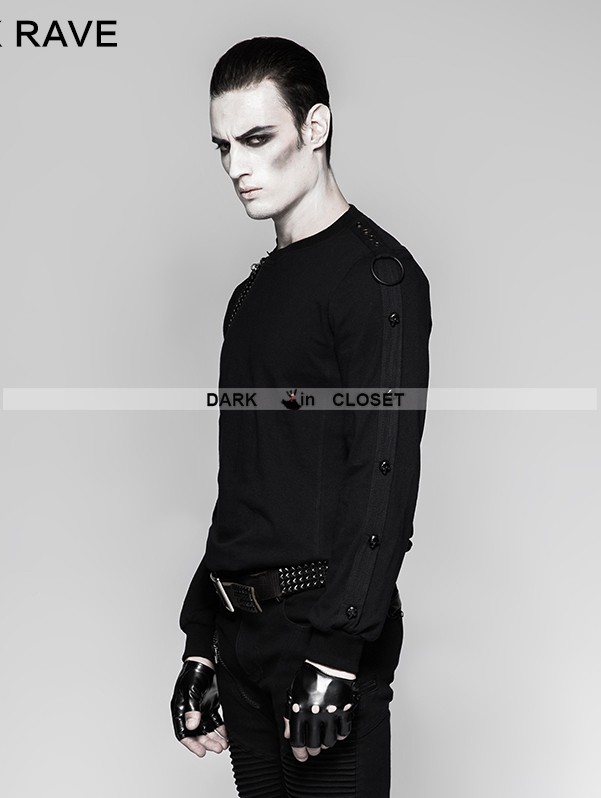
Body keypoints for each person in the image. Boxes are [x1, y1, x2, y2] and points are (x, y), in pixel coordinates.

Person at [170, 35, 432, 797]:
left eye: (257, 139)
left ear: (314, 127)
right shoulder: (252, 294)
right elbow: (245, 478)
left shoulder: (378, 279)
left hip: (320, 633)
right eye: (223, 146)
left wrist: (336, 653)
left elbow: (383, 470)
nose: (236, 166)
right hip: (240, 637)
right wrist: (201, 640)